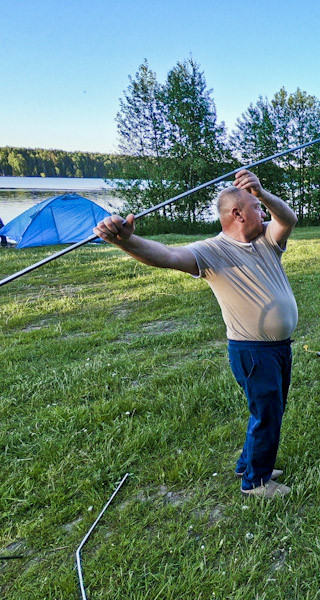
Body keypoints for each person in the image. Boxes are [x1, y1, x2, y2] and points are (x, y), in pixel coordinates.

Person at [94, 169, 298, 497]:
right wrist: (127, 240)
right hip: (253, 350)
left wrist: (261, 193)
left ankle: (249, 463)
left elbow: (288, 218)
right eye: (257, 208)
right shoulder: (210, 251)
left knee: (267, 410)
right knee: (267, 413)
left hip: (278, 348)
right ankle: (256, 483)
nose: (263, 212)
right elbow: (167, 256)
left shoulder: (267, 241)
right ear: (238, 214)